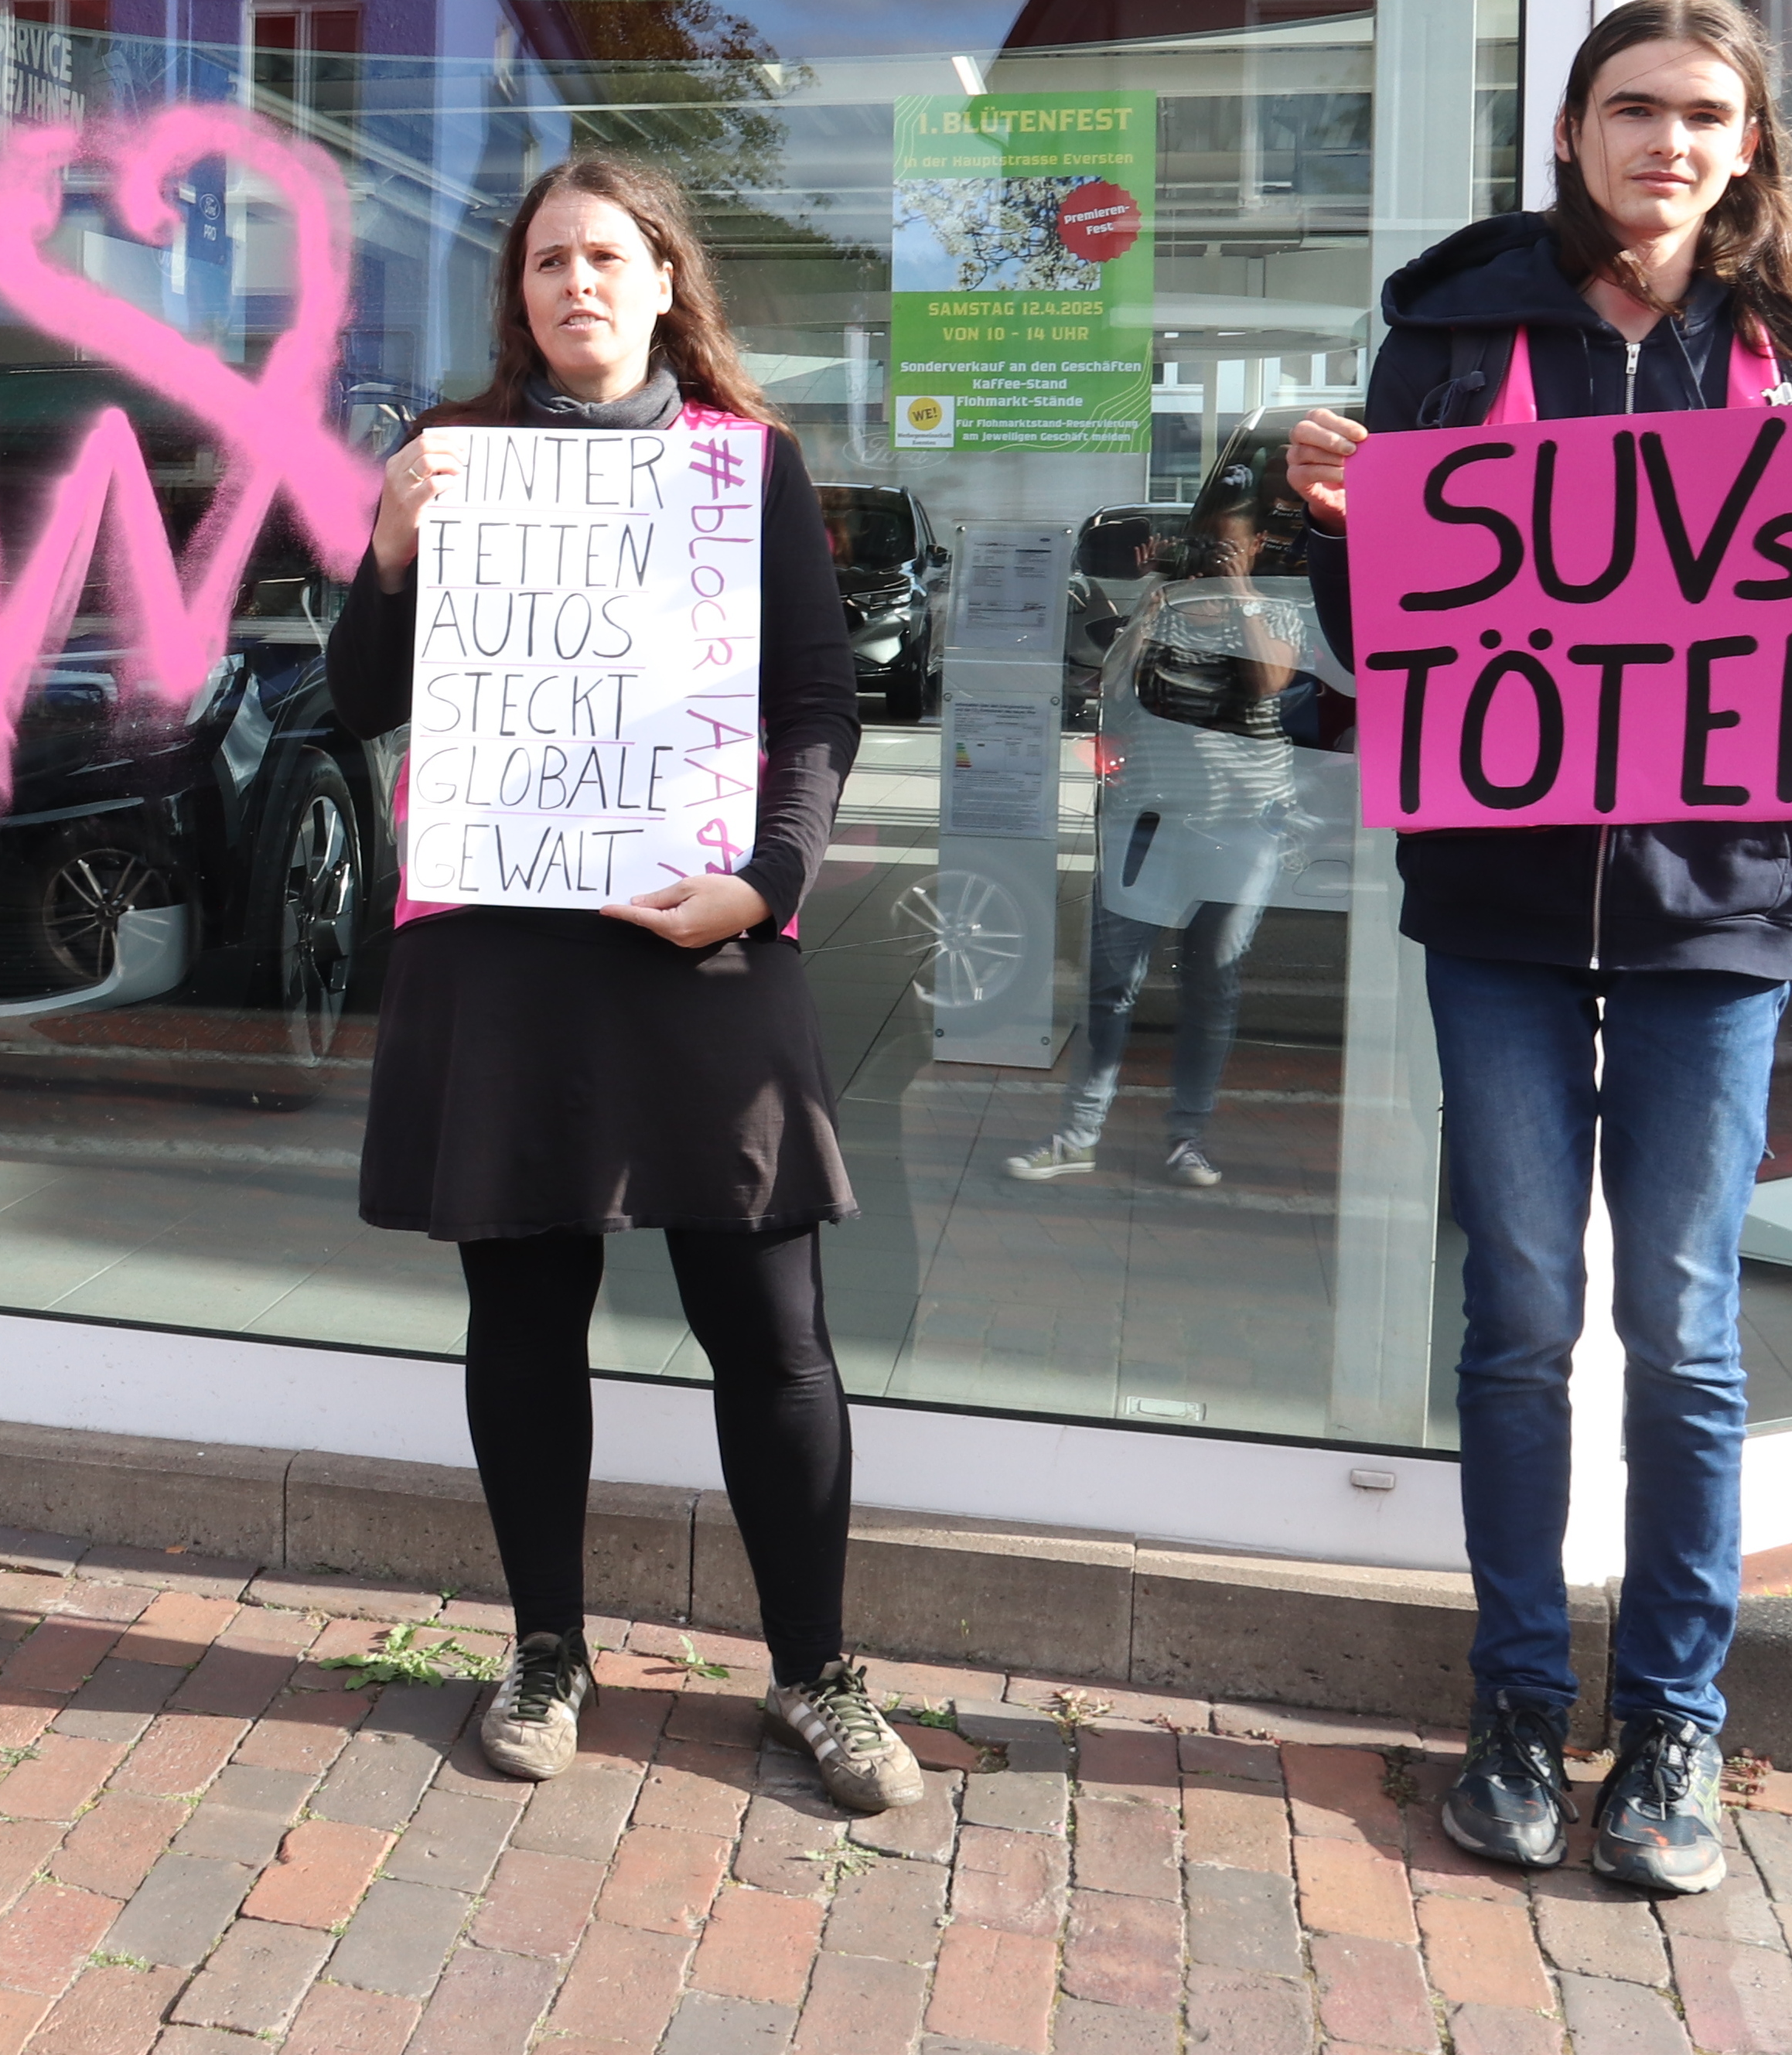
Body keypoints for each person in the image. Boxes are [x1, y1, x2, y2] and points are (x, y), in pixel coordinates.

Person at [1285, 0, 1792, 1895]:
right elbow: (1386, 638)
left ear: (1746, 145)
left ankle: (1674, 1715)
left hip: (1720, 904)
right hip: (1500, 904)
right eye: (1631, 108)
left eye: (1700, 114)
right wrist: (1338, 523)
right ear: (1572, 132)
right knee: (1518, 1319)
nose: (1665, 142)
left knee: (1680, 1326)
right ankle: (1516, 1699)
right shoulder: (1451, 330)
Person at [326, 154, 920, 1814]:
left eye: (605, 256)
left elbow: (816, 702)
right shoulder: (447, 459)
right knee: (525, 1319)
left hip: (701, 936)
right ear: (514, 296)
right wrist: (387, 550)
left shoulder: (747, 466)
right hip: (503, 946)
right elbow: (359, 701)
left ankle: (814, 1669)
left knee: (771, 1327)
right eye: (545, 263)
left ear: (665, 281)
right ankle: (545, 1649)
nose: (574, 283)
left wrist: (771, 880)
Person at [1006, 470, 1308, 1190]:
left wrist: (1239, 594)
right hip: (1145, 824)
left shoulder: (1275, 612)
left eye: (1227, 547)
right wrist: (1151, 601)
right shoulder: (1161, 606)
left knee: (1212, 987)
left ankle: (1187, 1137)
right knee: (1110, 985)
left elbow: (1269, 682)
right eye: (1204, 546)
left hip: (1239, 829)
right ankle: (1078, 1134)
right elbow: (1110, 689)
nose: (1212, 559)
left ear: (1255, 547)